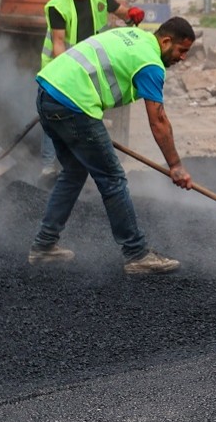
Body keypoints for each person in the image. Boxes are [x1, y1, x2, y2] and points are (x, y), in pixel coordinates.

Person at [28, 16, 196, 275]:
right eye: (181, 50)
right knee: (113, 178)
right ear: (165, 42)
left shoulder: (135, 36)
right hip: (73, 104)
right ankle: (136, 253)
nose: (182, 58)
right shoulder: (151, 63)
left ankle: (43, 247)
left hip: (48, 96)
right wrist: (175, 166)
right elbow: (159, 120)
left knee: (73, 173)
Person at [35, 0, 144, 176]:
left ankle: (80, 165)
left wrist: (131, 14)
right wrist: (65, 75)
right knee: (53, 116)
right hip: (58, 67)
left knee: (84, 113)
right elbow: (58, 43)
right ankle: (48, 167)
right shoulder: (58, 5)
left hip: (89, 68)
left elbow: (121, 11)